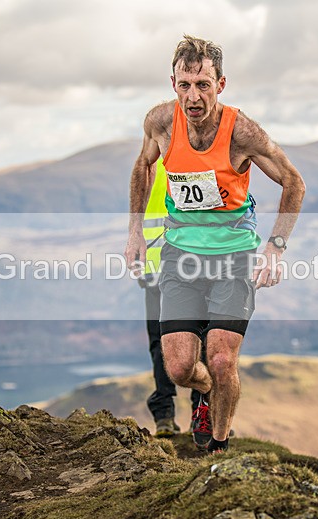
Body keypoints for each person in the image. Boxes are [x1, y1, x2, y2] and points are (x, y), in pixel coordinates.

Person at [125, 35, 305, 454]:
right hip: (180, 257)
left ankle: (218, 448)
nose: (193, 96)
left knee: (223, 360)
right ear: (173, 83)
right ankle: (204, 393)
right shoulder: (160, 123)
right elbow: (143, 165)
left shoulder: (242, 131)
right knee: (180, 367)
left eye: (203, 85)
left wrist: (276, 246)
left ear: (220, 84)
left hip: (233, 256)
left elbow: (294, 181)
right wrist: (134, 231)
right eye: (185, 85)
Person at [140, 158, 202, 437]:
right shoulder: (196, 159)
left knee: (163, 341)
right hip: (184, 267)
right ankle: (192, 413)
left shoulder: (149, 163)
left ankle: (169, 415)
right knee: (195, 338)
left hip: (164, 265)